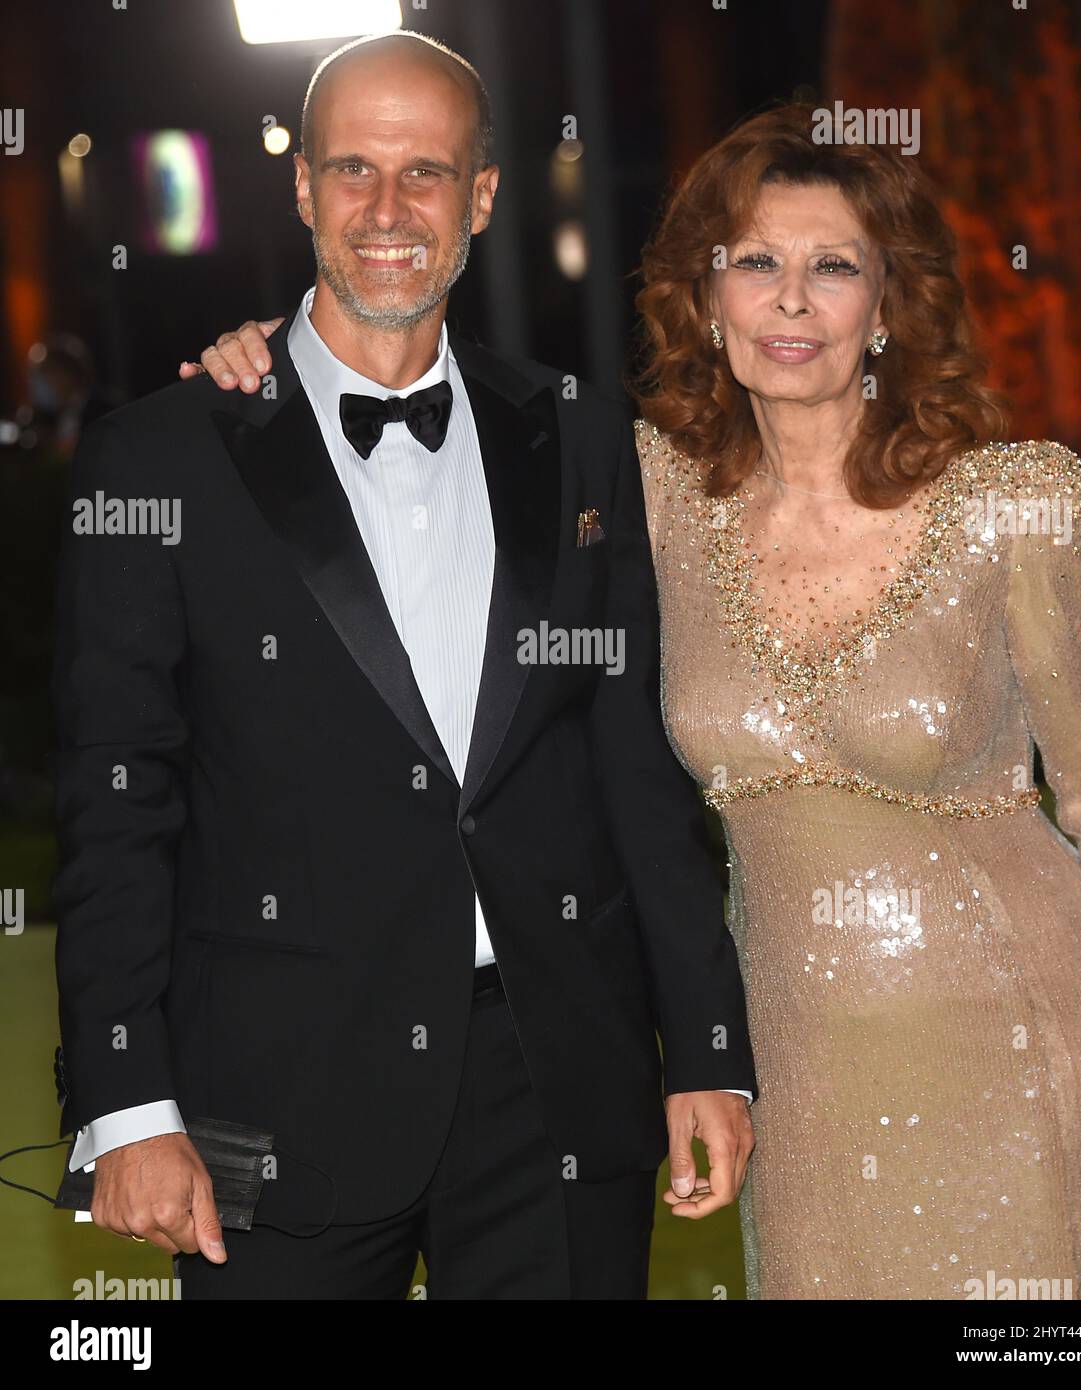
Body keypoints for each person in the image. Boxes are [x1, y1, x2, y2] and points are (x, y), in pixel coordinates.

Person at [200, 101, 1081, 1298]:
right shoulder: (642, 496)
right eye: (755, 262)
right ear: (706, 298)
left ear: (889, 306)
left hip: (1027, 1040)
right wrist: (270, 360)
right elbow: (415, 423)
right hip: (797, 1064)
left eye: (833, 267)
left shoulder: (1016, 500)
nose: (791, 300)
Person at [52, 32, 756, 1301]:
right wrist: (128, 1103)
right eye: (353, 171)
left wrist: (707, 1046)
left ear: (481, 195)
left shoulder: (583, 440)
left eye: (424, 172)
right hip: (265, 1094)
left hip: (553, 1084)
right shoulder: (162, 458)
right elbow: (117, 802)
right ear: (304, 189)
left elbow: (633, 770)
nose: (387, 210)